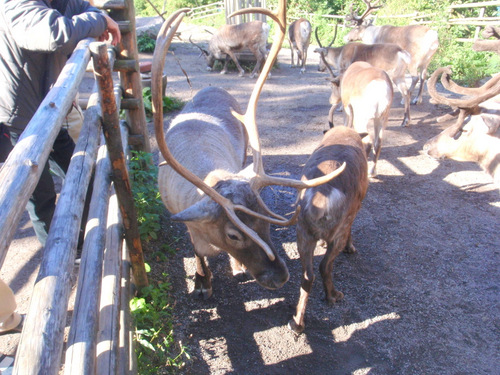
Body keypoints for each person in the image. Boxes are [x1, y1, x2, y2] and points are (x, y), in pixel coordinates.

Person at [0, 0, 121, 246]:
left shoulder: (58, 1)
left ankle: (90, 234)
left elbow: (84, 9)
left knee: (83, 172)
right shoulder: (16, 3)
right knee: (38, 190)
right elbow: (54, 33)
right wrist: (100, 21)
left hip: (47, 111)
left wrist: (97, 16)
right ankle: (55, 249)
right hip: (18, 118)